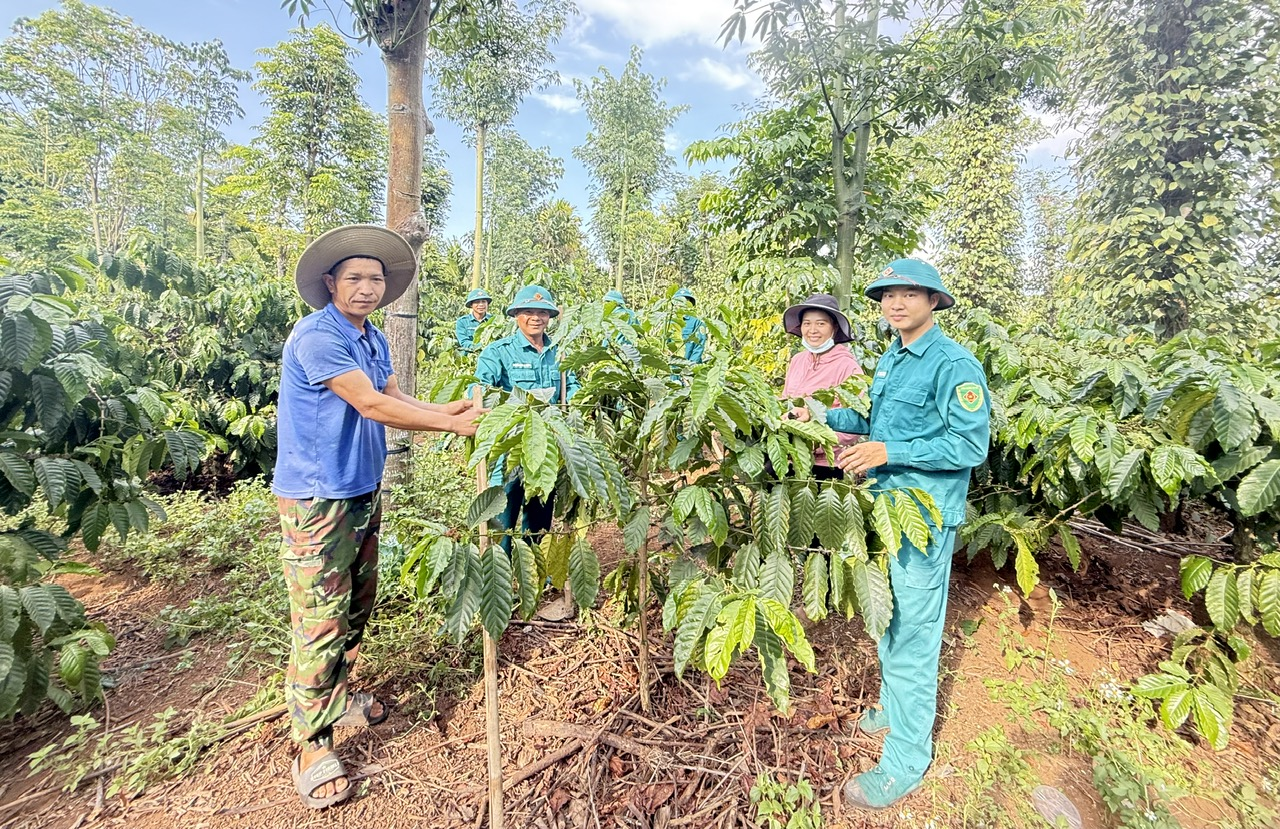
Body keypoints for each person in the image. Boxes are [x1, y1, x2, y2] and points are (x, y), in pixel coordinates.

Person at [274, 224, 482, 810]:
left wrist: (447, 408)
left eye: (376, 278)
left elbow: (393, 393)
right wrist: (451, 426)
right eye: (355, 277)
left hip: (363, 488)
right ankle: (311, 743)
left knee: (357, 604)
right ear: (330, 282)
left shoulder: (370, 336)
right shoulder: (317, 336)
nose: (367, 287)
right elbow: (368, 404)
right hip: (319, 498)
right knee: (319, 614)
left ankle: (338, 696)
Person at [788, 259, 990, 811]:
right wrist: (818, 417)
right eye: (888, 296)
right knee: (890, 619)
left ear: (933, 301)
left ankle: (906, 758)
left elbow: (971, 447)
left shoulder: (954, 364)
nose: (896, 304)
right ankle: (890, 708)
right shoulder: (891, 361)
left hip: (923, 517)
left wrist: (890, 453)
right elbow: (876, 423)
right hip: (883, 510)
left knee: (916, 635)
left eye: (909, 294)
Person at [475, 284, 580, 555]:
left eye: (542, 313)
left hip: (548, 446)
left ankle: (534, 569)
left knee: (541, 510)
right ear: (516, 315)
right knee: (504, 509)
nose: (536, 318)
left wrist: (580, 404)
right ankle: (500, 568)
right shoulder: (499, 352)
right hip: (512, 446)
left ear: (550, 317)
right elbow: (479, 389)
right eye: (529, 312)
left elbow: (573, 387)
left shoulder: (561, 352)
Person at [781, 293, 863, 479]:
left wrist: (815, 442)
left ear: (834, 328)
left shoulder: (847, 367)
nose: (813, 330)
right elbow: (786, 400)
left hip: (828, 464)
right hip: (791, 458)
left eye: (821, 323)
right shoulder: (797, 360)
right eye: (807, 323)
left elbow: (854, 421)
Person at [674, 287, 706, 364]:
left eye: (685, 300)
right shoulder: (670, 322)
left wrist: (690, 366)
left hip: (690, 367)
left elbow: (699, 346)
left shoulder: (697, 322)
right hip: (673, 367)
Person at [455, 288, 492, 353]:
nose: (481, 304)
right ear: (471, 305)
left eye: (483, 301)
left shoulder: (494, 320)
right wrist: (482, 346)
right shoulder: (462, 322)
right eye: (477, 302)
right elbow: (464, 342)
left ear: (487, 304)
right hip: (469, 356)